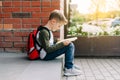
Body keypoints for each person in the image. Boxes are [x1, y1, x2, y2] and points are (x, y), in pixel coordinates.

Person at [37, 9, 82, 76]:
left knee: (68, 44)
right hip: (45, 55)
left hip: (47, 53)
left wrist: (59, 41)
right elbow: (48, 49)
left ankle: (70, 64)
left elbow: (50, 42)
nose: (59, 28)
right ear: (53, 21)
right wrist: (62, 44)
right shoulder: (44, 32)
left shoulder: (47, 31)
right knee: (70, 45)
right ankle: (68, 68)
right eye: (59, 26)